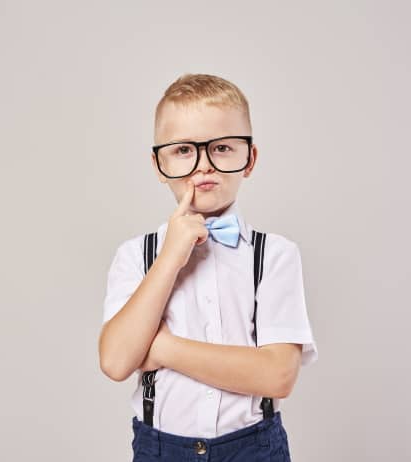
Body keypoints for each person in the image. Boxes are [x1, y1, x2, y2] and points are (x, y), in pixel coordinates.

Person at [98, 73, 319, 461]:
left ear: (248, 158)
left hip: (253, 449)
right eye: (183, 150)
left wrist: (161, 347)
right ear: (158, 163)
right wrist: (169, 258)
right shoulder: (136, 256)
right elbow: (117, 361)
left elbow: (277, 376)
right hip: (161, 450)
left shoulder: (275, 255)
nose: (203, 166)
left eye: (221, 148)